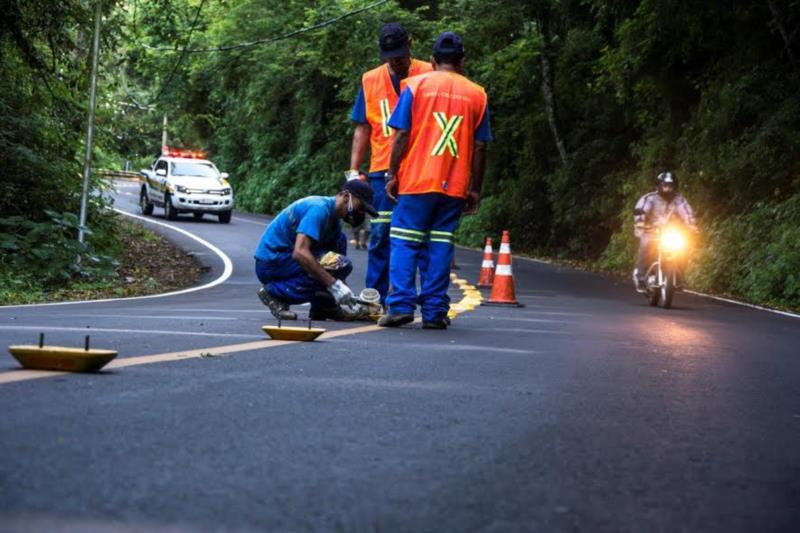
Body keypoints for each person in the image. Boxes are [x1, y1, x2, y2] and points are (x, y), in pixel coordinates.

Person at [378, 31, 492, 329]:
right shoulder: (477, 94)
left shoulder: (416, 85)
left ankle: (401, 306)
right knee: (441, 246)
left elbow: (401, 134)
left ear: (431, 60)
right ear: (462, 61)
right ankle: (434, 312)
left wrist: (392, 174)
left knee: (404, 242)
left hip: (416, 182)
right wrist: (475, 189)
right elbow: (480, 146)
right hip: (453, 187)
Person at [348, 22, 433, 305]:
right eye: (390, 57)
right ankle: (376, 296)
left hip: (421, 169)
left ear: (410, 44)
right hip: (381, 170)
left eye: (400, 55)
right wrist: (353, 170)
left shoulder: (430, 74)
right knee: (381, 234)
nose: (396, 63)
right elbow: (362, 127)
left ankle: (425, 298)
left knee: (418, 237)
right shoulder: (370, 79)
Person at [254, 180, 378, 320]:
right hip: (271, 263)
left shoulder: (334, 223)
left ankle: (324, 307)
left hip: (285, 261)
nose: (360, 212)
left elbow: (334, 270)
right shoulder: (318, 209)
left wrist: (351, 299)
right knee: (339, 264)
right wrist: (335, 286)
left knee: (339, 248)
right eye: (360, 206)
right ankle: (274, 293)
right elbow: (300, 252)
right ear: (345, 196)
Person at [633, 171, 698, 291]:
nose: (668, 188)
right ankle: (641, 276)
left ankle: (679, 277)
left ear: (675, 186)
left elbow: (686, 211)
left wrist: (692, 225)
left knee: (683, 249)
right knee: (646, 244)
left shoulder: (679, 199)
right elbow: (641, 209)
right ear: (659, 185)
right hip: (651, 230)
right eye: (665, 185)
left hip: (671, 232)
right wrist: (640, 221)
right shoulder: (650, 198)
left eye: (671, 186)